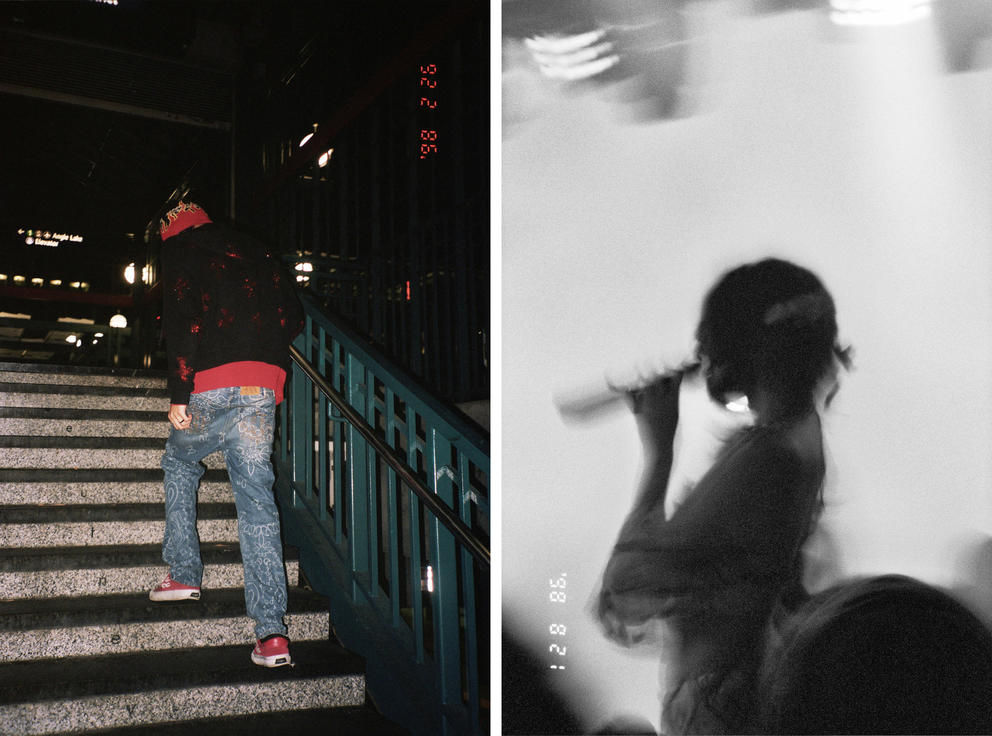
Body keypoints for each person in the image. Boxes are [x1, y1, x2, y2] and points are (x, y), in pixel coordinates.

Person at [595, 258, 850, 734]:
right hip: (741, 699)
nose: (701, 353)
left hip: (720, 712)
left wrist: (658, 451)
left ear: (735, 342)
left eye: (708, 338)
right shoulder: (797, 437)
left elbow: (629, 588)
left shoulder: (770, 457)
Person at [149, 200, 303, 668]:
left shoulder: (182, 252)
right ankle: (272, 633)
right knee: (257, 501)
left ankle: (183, 573)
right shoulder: (255, 250)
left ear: (170, 231)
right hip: (261, 386)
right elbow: (293, 317)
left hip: (210, 385)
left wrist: (180, 392)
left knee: (178, 462)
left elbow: (183, 321)